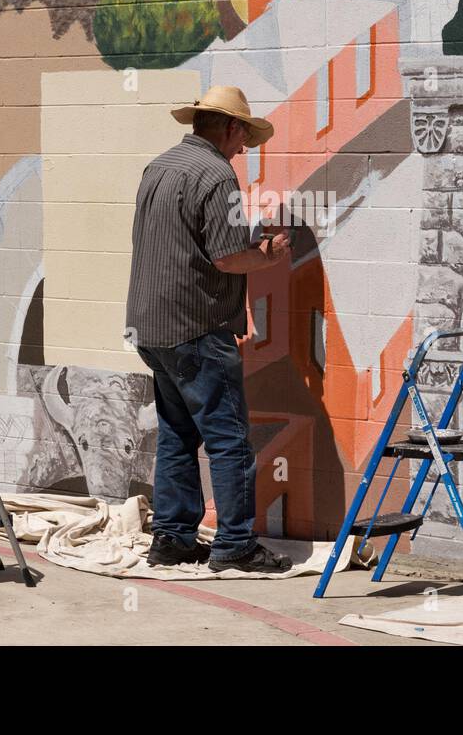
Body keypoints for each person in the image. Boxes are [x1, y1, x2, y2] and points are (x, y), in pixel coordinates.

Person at [125, 86, 294, 572]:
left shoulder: (160, 166)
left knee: (178, 434)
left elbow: (186, 242)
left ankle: (173, 538)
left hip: (150, 327)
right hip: (196, 325)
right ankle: (236, 545)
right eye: (244, 136)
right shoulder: (218, 175)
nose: (244, 148)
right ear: (232, 127)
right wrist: (268, 254)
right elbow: (225, 256)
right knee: (229, 438)